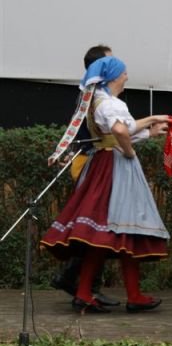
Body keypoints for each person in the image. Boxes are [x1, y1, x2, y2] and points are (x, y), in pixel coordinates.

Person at [41, 56, 170, 313]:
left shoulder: (97, 102)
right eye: (124, 73)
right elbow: (121, 132)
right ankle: (106, 292)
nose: (127, 77)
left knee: (114, 233)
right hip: (115, 168)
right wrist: (134, 146)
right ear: (112, 77)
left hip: (104, 164)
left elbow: (116, 134)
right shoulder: (110, 103)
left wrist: (147, 132)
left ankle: (101, 292)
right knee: (115, 230)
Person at [49, 44, 120, 308]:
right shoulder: (95, 96)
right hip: (90, 161)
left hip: (89, 161)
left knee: (93, 226)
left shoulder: (91, 93)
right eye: (110, 62)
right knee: (94, 226)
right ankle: (82, 283)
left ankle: (80, 282)